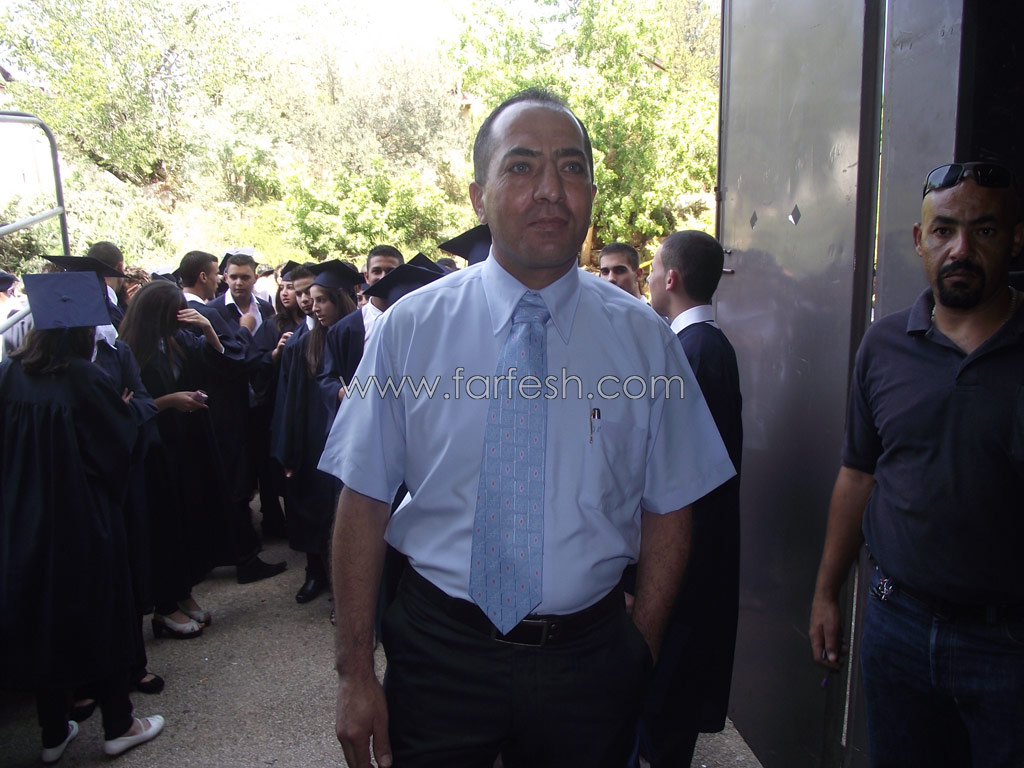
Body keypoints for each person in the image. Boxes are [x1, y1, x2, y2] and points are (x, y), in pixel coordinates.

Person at [320, 87, 735, 768]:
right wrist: (355, 672)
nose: (550, 189)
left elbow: (671, 504)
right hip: (439, 655)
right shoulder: (410, 330)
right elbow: (362, 498)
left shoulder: (645, 342)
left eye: (571, 167)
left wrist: (640, 646)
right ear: (478, 196)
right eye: (521, 166)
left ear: (591, 194)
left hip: (589, 664)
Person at [809, 161, 1024, 767]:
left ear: (1015, 238)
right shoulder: (883, 346)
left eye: (984, 231)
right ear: (919, 240)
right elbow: (858, 474)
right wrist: (826, 593)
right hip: (897, 625)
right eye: (944, 230)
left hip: (1009, 644)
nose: (961, 250)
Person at [0, 272, 164, 762]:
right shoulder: (85, 378)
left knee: (44, 620)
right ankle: (119, 724)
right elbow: (118, 446)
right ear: (82, 330)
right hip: (82, 519)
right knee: (103, 616)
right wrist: (128, 410)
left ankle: (53, 732)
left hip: (22, 519)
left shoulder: (9, 373)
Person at [640, 230, 743, 767]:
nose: (649, 278)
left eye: (654, 269)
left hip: (687, 576)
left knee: (665, 722)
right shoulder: (700, 347)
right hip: (694, 569)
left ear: (673, 278)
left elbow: (686, 482)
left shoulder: (695, 353)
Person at [273, 260, 358, 605]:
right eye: (306, 295)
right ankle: (315, 572)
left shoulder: (359, 333)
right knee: (313, 507)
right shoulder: (302, 342)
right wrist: (288, 449)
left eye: (319, 296)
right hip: (312, 437)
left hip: (347, 435)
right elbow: (288, 401)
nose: (310, 302)